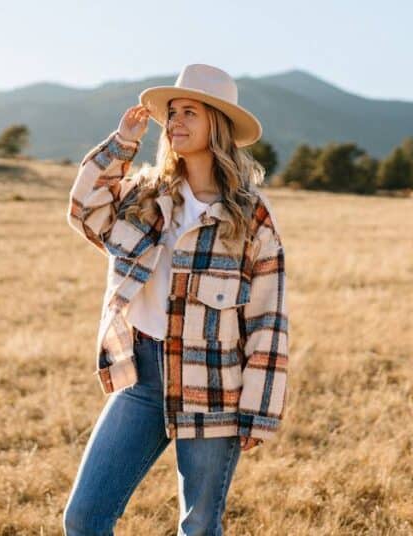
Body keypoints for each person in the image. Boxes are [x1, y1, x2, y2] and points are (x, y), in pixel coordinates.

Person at [63, 63, 290, 535]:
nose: (175, 121)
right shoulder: (146, 195)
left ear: (217, 126)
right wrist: (121, 144)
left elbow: (268, 319)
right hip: (142, 377)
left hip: (215, 386)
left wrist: (257, 410)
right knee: (85, 518)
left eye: (190, 112)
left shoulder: (250, 217)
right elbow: (84, 211)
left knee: (200, 527)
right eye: (172, 113)